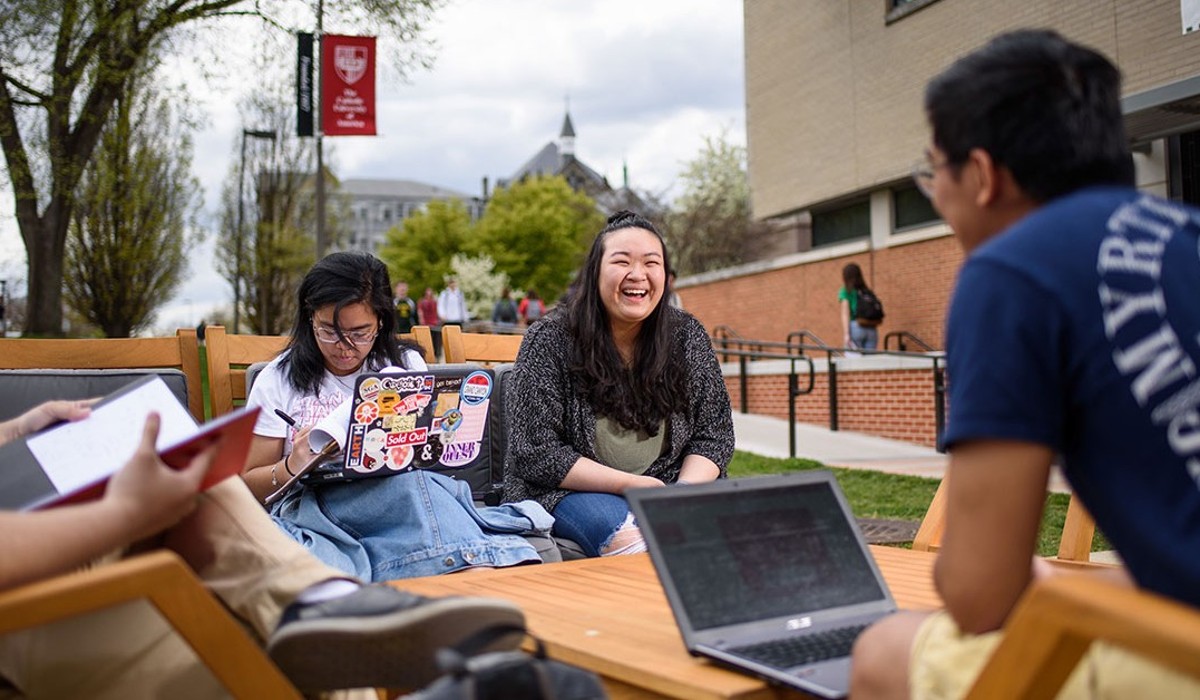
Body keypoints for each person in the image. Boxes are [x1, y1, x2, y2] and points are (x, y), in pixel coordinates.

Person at [850, 29, 1200, 698]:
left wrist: (1011, 575)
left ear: (981, 176)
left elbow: (981, 598)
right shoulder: (1186, 233)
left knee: (881, 653)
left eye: (933, 172)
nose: (937, 195)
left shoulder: (1012, 269)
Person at [0, 401, 524, 698]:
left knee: (188, 468)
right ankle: (320, 602)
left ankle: (318, 603)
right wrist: (121, 515)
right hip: (26, 614)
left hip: (53, 554)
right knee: (268, 629)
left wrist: (20, 433)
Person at [244, 252, 550, 582]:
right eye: (329, 332)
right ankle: (471, 567)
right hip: (319, 502)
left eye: (360, 332)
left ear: (382, 322)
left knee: (419, 487)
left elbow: (425, 460)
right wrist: (293, 464)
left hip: (399, 496)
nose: (345, 347)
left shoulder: (404, 365)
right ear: (309, 320)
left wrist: (442, 436)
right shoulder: (278, 379)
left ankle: (470, 575)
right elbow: (249, 485)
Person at [503, 210, 734, 557]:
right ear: (595, 272)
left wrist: (681, 490)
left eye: (651, 263)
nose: (637, 275)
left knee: (759, 531)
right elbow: (535, 451)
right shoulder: (549, 339)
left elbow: (714, 436)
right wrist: (634, 486)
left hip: (671, 485)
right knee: (642, 543)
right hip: (568, 492)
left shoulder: (687, 336)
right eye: (621, 261)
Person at [838, 262, 878, 351]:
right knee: (871, 363)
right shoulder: (866, 290)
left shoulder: (845, 290)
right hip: (871, 328)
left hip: (856, 327)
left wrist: (846, 334)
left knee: (853, 363)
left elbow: (845, 313)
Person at [417, 286, 441, 359]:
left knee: (436, 341)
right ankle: (428, 356)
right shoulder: (421, 301)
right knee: (426, 340)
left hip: (434, 323)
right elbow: (420, 312)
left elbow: (437, 311)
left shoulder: (435, 301)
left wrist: (439, 319)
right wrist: (421, 320)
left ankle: (437, 356)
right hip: (426, 324)